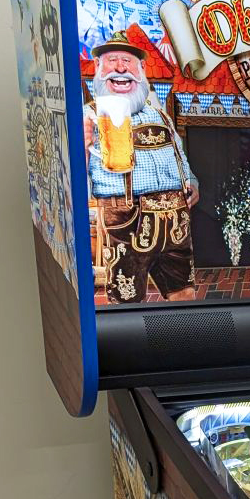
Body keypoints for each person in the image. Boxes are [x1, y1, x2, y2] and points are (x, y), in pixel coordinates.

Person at [84, 36, 199, 304]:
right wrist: (81, 146)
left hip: (175, 220)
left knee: (184, 295)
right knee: (127, 301)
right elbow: (73, 180)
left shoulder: (160, 115)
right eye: (112, 60)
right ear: (98, 67)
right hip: (127, 219)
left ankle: (188, 334)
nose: (120, 68)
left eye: (127, 61)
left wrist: (192, 181)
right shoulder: (88, 117)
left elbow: (180, 156)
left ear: (142, 70)